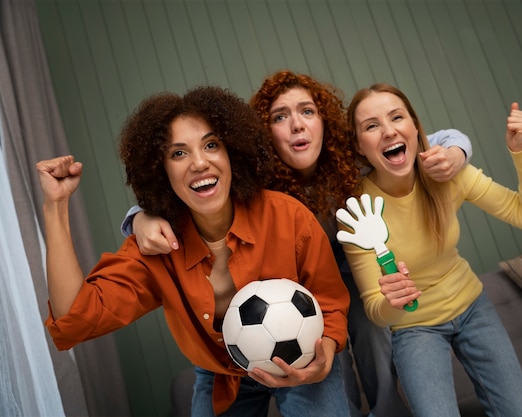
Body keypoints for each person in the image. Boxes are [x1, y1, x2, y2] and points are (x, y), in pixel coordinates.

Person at [123, 71, 473, 417]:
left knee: (372, 330)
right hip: (297, 289)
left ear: (325, 122)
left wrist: (457, 152)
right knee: (321, 348)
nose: (297, 125)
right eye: (280, 117)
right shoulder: (254, 180)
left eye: (307, 111)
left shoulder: (351, 162)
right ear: (262, 133)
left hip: (353, 274)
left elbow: (440, 136)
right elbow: (186, 193)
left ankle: (387, 410)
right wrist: (138, 218)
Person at [36, 85, 353, 417]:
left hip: (301, 359)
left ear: (232, 152)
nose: (200, 162)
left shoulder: (288, 217)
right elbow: (76, 319)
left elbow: (329, 300)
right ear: (161, 171)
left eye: (211, 145)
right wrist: (55, 207)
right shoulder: (156, 247)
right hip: (221, 374)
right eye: (178, 153)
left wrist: (324, 357)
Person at [339, 83, 522, 416]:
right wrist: (395, 301)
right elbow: (376, 310)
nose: (388, 131)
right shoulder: (358, 211)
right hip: (415, 329)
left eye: (397, 117)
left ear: (414, 126)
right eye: (371, 125)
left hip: (474, 309)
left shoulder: (448, 173)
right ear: (358, 145)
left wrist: (520, 150)